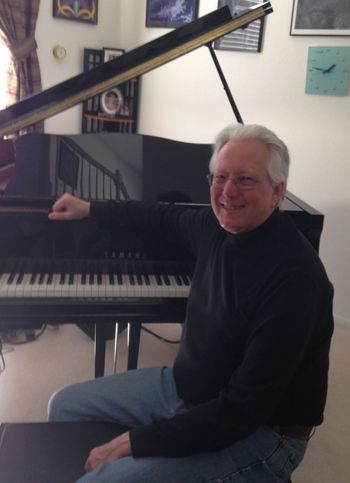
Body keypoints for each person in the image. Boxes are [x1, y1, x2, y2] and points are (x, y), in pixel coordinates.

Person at [47, 123, 334, 483]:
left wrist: (139, 440)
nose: (228, 191)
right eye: (220, 176)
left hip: (262, 433)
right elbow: (159, 214)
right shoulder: (212, 225)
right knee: (63, 406)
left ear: (277, 192)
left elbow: (241, 412)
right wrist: (90, 208)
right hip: (183, 388)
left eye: (245, 179)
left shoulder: (295, 278)